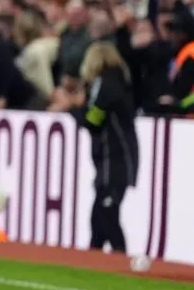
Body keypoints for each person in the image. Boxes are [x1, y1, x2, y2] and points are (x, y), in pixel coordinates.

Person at [55, 41, 139, 255]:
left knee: (107, 213)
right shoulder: (115, 81)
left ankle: (121, 257)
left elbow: (93, 120)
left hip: (116, 157)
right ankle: (94, 261)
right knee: (98, 217)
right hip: (112, 158)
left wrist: (71, 107)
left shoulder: (107, 82)